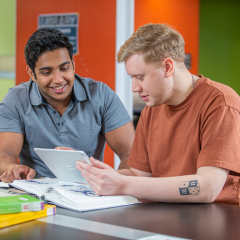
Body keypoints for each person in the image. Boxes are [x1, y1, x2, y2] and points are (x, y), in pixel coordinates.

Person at [76, 23, 240, 205]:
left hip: (214, 223)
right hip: (162, 217)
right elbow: (138, 175)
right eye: (132, 78)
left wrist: (124, 184)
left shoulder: (221, 103)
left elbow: (206, 188)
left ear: (168, 67)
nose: (134, 88)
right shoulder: (151, 109)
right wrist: (91, 172)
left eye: (140, 77)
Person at [0, 28, 134, 183]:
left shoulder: (101, 95)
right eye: (46, 72)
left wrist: (117, 186)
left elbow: (131, 152)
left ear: (73, 64)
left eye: (64, 68)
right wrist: (12, 167)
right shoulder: (16, 99)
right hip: (37, 195)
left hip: (88, 193)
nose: (58, 79)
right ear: (31, 73)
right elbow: (4, 153)